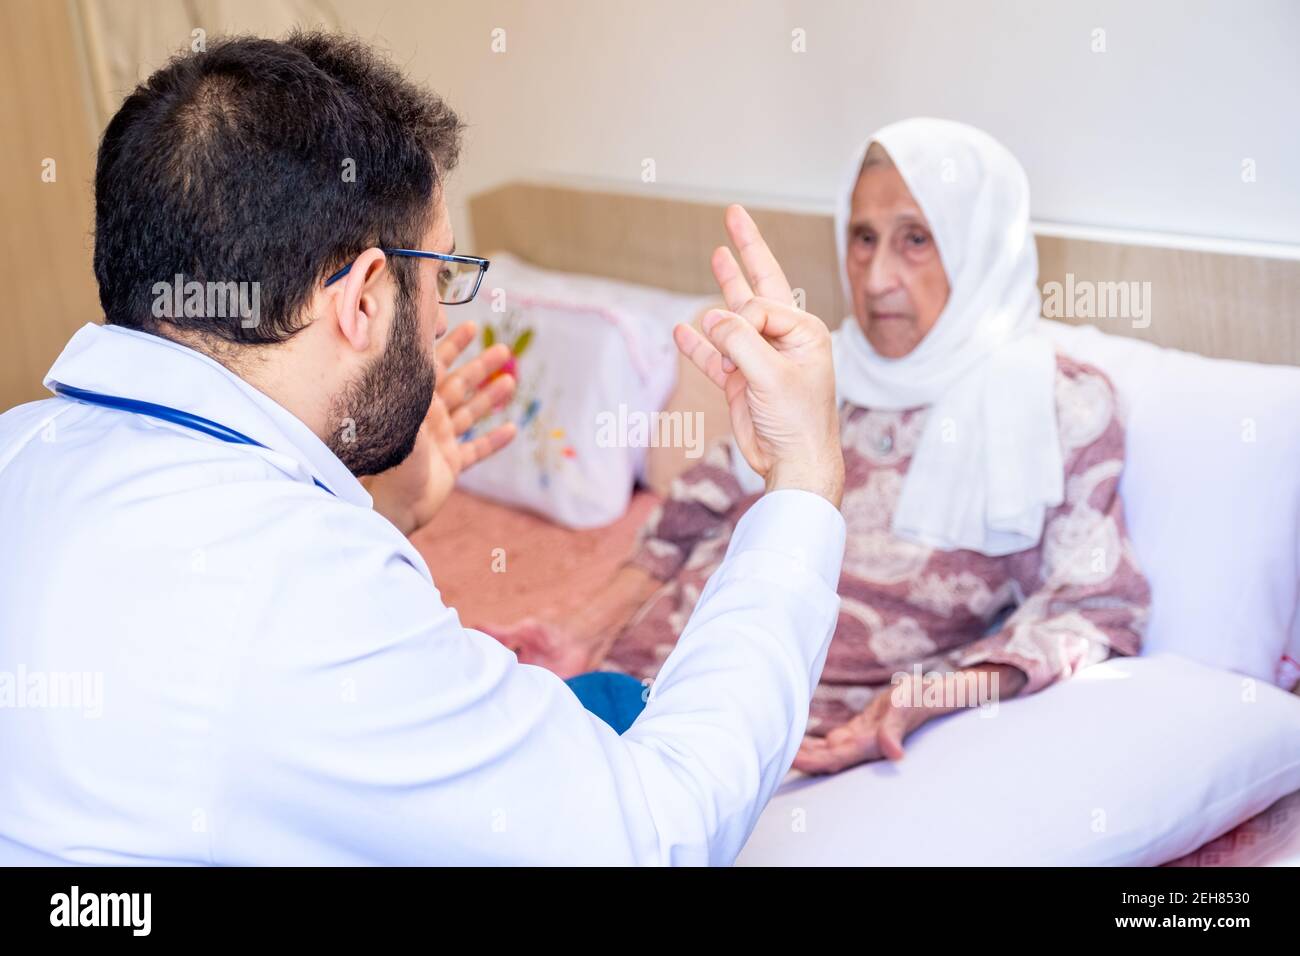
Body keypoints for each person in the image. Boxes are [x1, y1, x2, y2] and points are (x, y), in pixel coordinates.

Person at [0, 32, 846, 865]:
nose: (446, 319)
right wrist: (803, 478)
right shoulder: (305, 588)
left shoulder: (21, 448)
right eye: (440, 273)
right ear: (365, 298)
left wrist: (383, 513)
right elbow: (658, 831)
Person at [489, 118, 1151, 775]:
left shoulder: (1057, 405)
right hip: (632, 690)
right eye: (863, 238)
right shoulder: (822, 365)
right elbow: (690, 510)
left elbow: (1096, 611)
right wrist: (579, 629)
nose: (877, 276)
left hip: (767, 739)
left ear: (979, 243)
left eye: (916, 239)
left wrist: (930, 698)